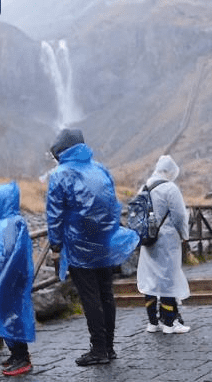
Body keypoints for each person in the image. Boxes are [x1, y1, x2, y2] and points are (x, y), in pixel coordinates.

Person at [46, 128, 139, 366]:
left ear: (60, 151)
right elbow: (113, 205)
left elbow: (54, 214)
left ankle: (98, 349)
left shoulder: (60, 174)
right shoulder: (100, 168)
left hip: (78, 246)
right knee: (106, 294)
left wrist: (55, 244)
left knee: (90, 297)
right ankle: (108, 347)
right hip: (104, 243)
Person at [0, 181, 35, 376]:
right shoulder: (7, 222)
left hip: (9, 280)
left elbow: (6, 254)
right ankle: (16, 354)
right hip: (6, 279)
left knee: (12, 317)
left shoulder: (10, 223)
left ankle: (21, 357)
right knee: (6, 315)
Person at [136, 155, 191, 334]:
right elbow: (179, 216)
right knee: (167, 278)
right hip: (167, 241)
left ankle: (153, 322)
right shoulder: (170, 188)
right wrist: (184, 235)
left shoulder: (143, 188)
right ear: (170, 171)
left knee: (150, 278)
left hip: (147, 241)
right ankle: (169, 322)